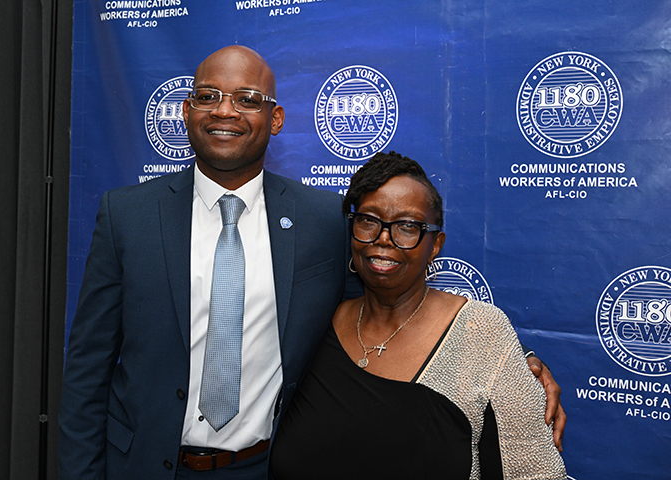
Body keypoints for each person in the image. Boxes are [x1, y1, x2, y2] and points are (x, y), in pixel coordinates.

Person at [59, 46, 564, 480]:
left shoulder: (324, 219)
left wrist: (509, 371)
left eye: (247, 99)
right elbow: (87, 371)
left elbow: (382, 306)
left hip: (268, 467)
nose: (225, 111)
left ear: (275, 119)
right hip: (144, 465)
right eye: (209, 96)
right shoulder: (126, 215)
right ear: (187, 111)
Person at [270, 152, 566, 479]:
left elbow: (535, 472)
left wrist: (521, 364)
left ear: (435, 245)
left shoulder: (482, 332)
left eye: (407, 226)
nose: (384, 238)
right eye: (368, 220)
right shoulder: (320, 319)